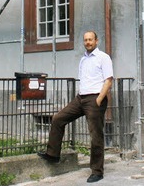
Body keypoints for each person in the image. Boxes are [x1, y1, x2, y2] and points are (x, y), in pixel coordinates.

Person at [38, 31, 114, 183]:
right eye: (85, 40)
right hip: (81, 97)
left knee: (95, 135)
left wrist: (99, 99)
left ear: (96, 41)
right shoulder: (83, 59)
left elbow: (108, 80)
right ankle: (53, 154)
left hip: (95, 98)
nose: (88, 42)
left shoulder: (103, 58)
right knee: (58, 118)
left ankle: (97, 171)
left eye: (90, 40)